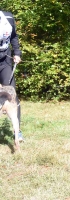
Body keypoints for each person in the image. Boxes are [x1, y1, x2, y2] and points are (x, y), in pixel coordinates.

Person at [0, 10, 23, 141]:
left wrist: (17, 53)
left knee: (12, 95)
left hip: (5, 60)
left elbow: (14, 36)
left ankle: (17, 131)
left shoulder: (8, 17)